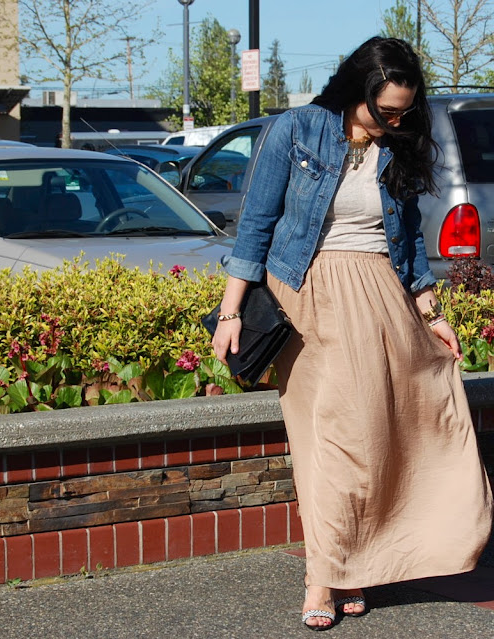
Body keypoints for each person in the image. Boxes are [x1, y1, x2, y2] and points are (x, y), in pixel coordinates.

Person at [211, 37, 493, 631]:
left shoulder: (399, 145)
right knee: (338, 440)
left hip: (384, 296)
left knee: (395, 429)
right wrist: (231, 313)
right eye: (384, 110)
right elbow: (255, 225)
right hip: (310, 294)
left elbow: (410, 239)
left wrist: (432, 312)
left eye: (402, 113)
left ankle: (357, 564)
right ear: (355, 89)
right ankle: (324, 575)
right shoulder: (295, 130)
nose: (393, 121)